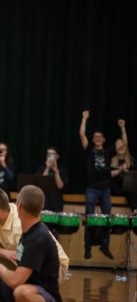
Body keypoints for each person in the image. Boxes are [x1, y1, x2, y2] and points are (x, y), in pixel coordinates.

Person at [0, 185, 62, 302]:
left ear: (19, 206)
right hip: (24, 278)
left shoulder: (35, 237)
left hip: (40, 287)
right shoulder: (27, 230)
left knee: (22, 292)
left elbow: (16, 281)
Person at [79, 110, 127, 259]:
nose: (98, 138)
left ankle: (104, 246)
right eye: (95, 137)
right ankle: (87, 247)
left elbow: (124, 143)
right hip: (92, 189)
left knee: (107, 217)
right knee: (89, 218)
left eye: (100, 137)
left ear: (104, 140)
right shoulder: (89, 151)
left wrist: (123, 128)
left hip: (105, 189)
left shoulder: (107, 152)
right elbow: (82, 134)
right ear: (93, 140)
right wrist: (84, 118)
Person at [36, 147, 69, 236]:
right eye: (48, 154)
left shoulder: (62, 170)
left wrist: (56, 171)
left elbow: (60, 186)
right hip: (44, 203)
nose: (50, 157)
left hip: (56, 203)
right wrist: (47, 168)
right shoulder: (42, 169)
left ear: (57, 156)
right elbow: (40, 185)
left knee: (54, 233)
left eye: (52, 154)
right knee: (41, 231)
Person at [110, 138, 136, 213]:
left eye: (123, 146)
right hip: (116, 189)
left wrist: (127, 172)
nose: (121, 148)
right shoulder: (111, 160)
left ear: (126, 147)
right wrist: (120, 170)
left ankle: (135, 211)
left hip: (129, 191)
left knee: (131, 187)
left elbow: (134, 178)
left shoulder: (131, 161)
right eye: (119, 146)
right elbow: (107, 176)